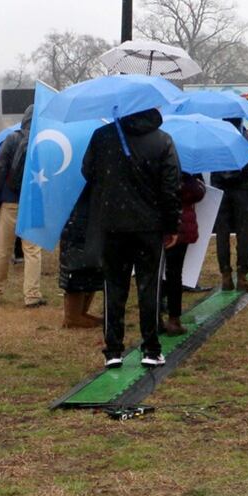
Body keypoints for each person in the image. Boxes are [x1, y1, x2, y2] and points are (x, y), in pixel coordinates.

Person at [81, 108, 182, 369]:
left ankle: (113, 349)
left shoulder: (102, 136)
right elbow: (171, 186)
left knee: (114, 287)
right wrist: (172, 225)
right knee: (149, 287)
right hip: (149, 226)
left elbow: (87, 171)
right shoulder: (162, 140)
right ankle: (151, 348)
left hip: (112, 224)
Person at [0, 107, 45, 308]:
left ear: (24, 119)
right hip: (33, 202)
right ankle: (32, 295)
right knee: (33, 250)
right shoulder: (44, 140)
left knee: (3, 248)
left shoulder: (12, 139)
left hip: (10, 202)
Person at [211, 118, 248, 292]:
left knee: (222, 234)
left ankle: (225, 274)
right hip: (243, 190)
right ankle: (242, 274)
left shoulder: (215, 138)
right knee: (244, 233)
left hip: (220, 190)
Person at [162, 172, 207, 335]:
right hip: (180, 226)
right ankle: (174, 319)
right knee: (174, 273)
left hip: (155, 225)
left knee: (153, 274)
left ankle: (155, 317)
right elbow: (198, 193)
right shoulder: (187, 172)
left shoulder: (152, 164)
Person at [57, 193, 103, 329]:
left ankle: (80, 313)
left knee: (89, 268)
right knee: (77, 269)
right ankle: (73, 317)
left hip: (83, 217)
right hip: (80, 220)